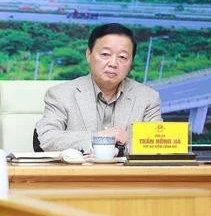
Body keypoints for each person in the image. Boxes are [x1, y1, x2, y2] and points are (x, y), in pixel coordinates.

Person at [35, 23, 162, 154]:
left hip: (128, 174)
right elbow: (47, 138)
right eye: (105, 54)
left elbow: (157, 146)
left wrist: (120, 149)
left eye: (122, 57)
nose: (113, 63)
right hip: (78, 173)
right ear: (89, 54)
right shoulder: (61, 95)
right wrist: (100, 138)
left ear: (131, 62)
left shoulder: (148, 98)